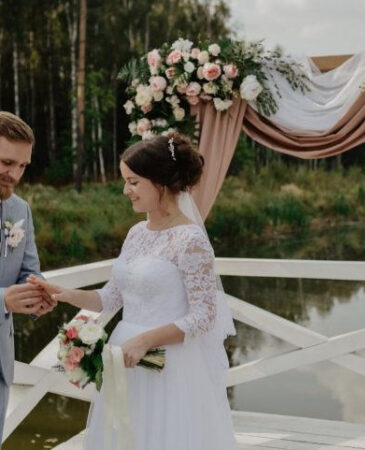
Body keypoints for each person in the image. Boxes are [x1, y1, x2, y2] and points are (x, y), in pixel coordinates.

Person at [29, 132, 238, 449]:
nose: (125, 190)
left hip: (170, 363)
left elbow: (205, 315)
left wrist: (146, 340)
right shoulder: (136, 232)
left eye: (133, 182)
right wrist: (65, 293)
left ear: (160, 183)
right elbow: (111, 297)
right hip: (125, 358)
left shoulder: (191, 239)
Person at [0, 111, 55, 448]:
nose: (15, 174)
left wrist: (40, 293)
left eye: (22, 166)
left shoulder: (21, 210)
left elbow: (29, 270)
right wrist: (3, 299)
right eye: (7, 162)